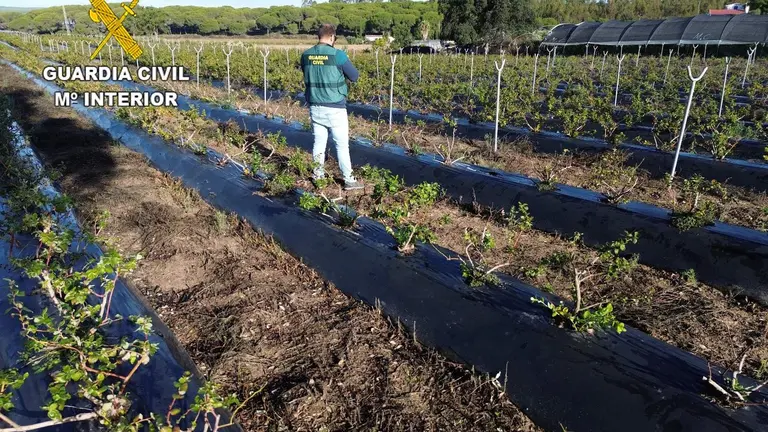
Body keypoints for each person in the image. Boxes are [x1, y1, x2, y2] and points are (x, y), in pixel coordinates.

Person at [301, 24, 363, 190]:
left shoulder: (306, 55)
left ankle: (318, 176)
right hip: (335, 107)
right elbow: (355, 76)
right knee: (341, 145)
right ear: (331, 37)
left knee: (319, 143)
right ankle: (349, 180)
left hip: (315, 106)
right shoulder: (338, 55)